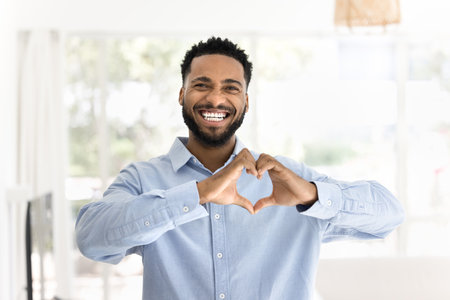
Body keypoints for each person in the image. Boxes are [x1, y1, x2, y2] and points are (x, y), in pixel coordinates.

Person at [76, 37, 404, 300]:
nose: (216, 99)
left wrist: (313, 196)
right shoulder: (143, 179)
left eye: (231, 87)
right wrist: (199, 194)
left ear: (246, 101)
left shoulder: (288, 181)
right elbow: (91, 238)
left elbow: (389, 216)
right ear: (182, 95)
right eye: (202, 85)